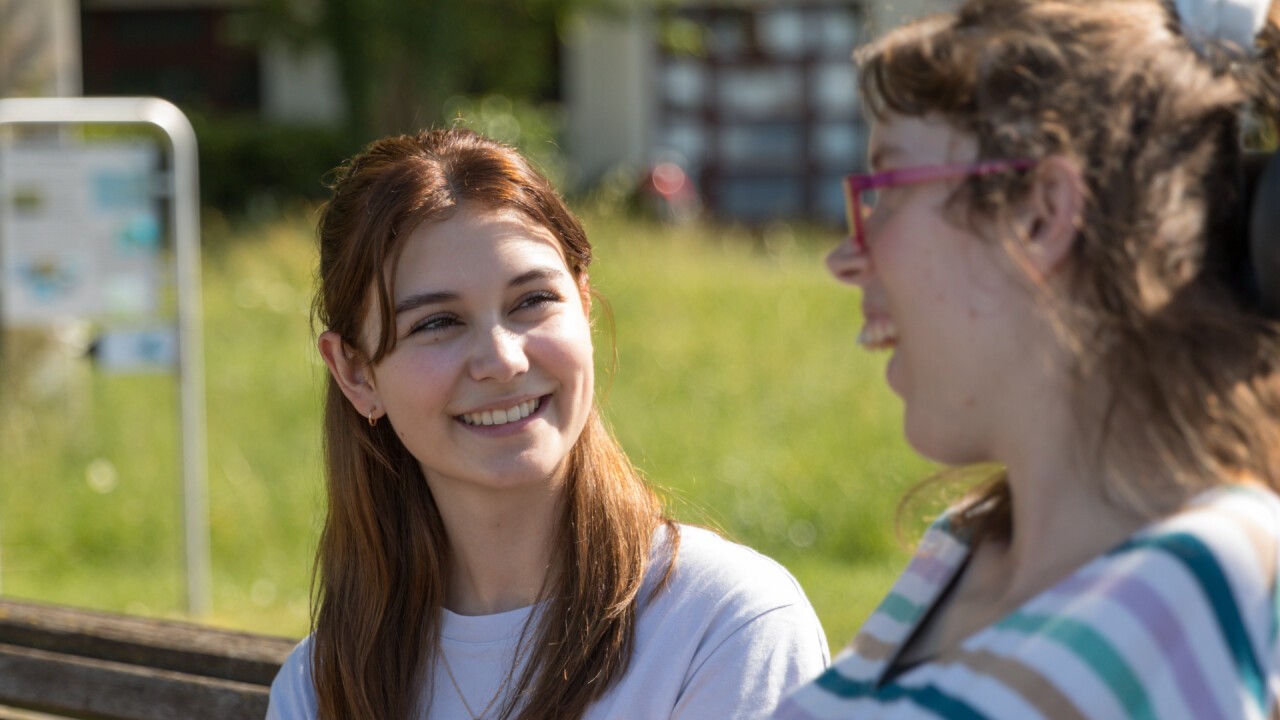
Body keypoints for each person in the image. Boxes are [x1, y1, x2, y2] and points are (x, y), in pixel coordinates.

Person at [776, 0, 1280, 717]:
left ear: (1039, 215)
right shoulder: (963, 547)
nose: (845, 257)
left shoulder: (1201, 583)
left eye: (884, 191)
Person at [265, 127, 828, 720]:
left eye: (532, 301)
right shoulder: (324, 682)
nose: (504, 360)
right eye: (437, 323)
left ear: (584, 305)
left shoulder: (722, 627)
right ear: (355, 373)